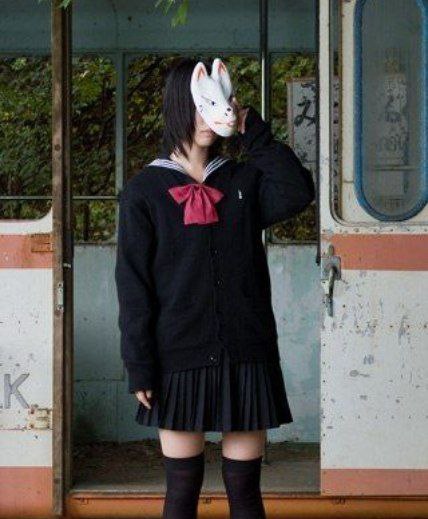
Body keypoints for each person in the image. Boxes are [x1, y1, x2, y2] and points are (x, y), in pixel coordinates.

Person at [115, 57, 315, 519]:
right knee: (181, 490)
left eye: (217, 105)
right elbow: (133, 285)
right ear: (177, 108)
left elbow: (297, 191)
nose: (208, 117)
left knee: (244, 491)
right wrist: (139, 365)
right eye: (199, 106)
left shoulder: (242, 179)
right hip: (177, 356)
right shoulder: (144, 190)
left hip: (245, 352)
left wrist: (251, 130)